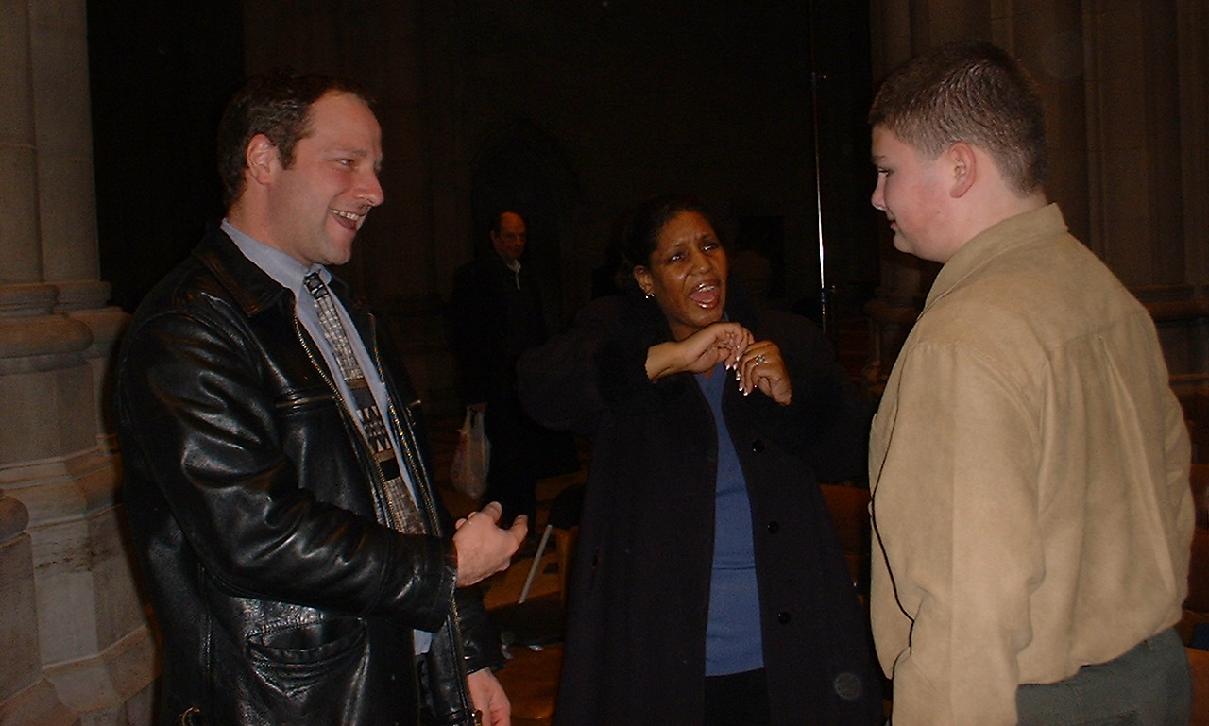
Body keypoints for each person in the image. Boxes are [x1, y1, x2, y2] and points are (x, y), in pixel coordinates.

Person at [115, 71, 527, 726]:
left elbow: (405, 495)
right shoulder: (187, 327)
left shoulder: (343, 306)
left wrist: (465, 652)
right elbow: (253, 531)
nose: (375, 191)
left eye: (376, 167)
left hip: (396, 665)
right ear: (262, 160)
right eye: (347, 163)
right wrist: (446, 565)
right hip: (291, 697)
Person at [866, 41, 1194, 725]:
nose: (877, 198)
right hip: (1150, 679)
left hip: (1032, 701)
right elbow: (1168, 495)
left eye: (887, 170)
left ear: (958, 167)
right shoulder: (1101, 292)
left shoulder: (966, 338)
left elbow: (964, 600)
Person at [517, 195, 882, 725]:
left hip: (789, 640)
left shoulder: (787, 340)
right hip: (663, 650)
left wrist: (789, 398)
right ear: (645, 280)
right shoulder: (616, 341)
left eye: (709, 247)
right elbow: (541, 390)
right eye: (677, 257)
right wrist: (668, 359)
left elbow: (850, 451)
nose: (703, 266)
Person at [449, 210, 572, 528]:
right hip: (494, 386)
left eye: (521, 236)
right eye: (509, 236)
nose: (516, 242)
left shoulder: (527, 276)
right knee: (501, 461)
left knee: (525, 459)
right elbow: (466, 337)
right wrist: (475, 391)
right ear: (494, 238)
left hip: (525, 385)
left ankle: (524, 519)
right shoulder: (474, 277)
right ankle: (498, 522)